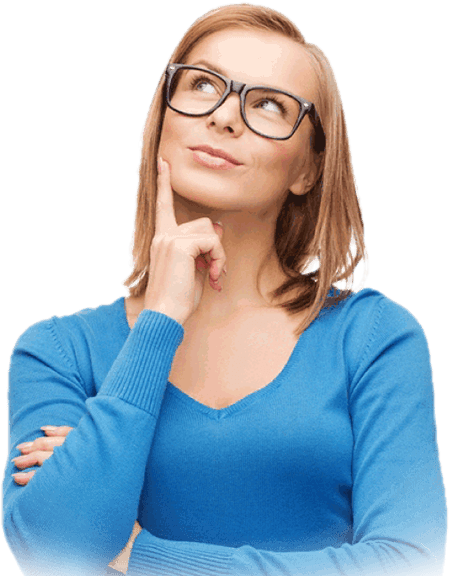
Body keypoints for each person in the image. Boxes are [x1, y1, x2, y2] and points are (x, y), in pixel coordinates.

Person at [3, 4, 446, 576]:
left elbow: (406, 563)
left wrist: (141, 555)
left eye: (269, 104)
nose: (224, 117)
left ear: (307, 170)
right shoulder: (59, 351)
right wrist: (160, 319)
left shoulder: (373, 337)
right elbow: (55, 552)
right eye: (203, 84)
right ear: (163, 120)